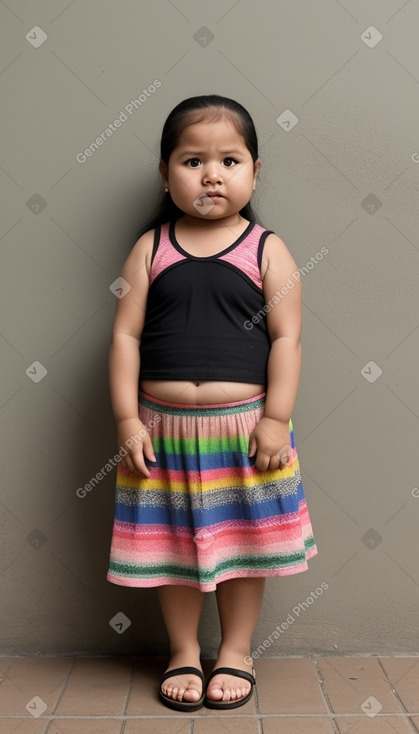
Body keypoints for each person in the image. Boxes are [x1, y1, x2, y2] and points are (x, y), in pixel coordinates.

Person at [107, 94, 318, 711]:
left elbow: (288, 337)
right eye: (192, 160)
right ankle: (181, 650)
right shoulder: (151, 248)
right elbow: (123, 335)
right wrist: (126, 419)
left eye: (229, 161)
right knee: (170, 548)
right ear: (165, 173)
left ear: (255, 172)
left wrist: (276, 418)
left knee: (244, 545)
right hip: (161, 431)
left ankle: (235, 652)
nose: (211, 175)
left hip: (246, 431)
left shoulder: (266, 249)